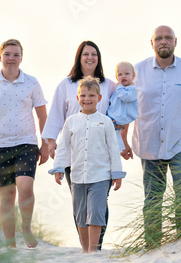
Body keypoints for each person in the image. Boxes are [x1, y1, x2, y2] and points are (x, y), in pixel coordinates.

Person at [122, 25, 181, 247]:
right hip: (148, 144)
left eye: (168, 38)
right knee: (153, 198)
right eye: (159, 38)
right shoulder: (137, 72)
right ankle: (153, 246)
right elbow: (125, 107)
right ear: (152, 43)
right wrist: (123, 141)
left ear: (175, 42)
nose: (163, 41)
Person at [41, 40, 119, 249]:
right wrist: (50, 143)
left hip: (101, 157)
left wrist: (124, 142)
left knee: (99, 202)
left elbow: (120, 113)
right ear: (79, 57)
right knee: (80, 205)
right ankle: (85, 248)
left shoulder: (109, 85)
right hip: (72, 157)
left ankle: (96, 247)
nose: (90, 58)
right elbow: (57, 115)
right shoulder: (66, 85)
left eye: (94, 54)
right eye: (86, 54)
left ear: (98, 58)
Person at [0, 39, 48, 248]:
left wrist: (45, 144)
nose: (11, 58)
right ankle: (10, 244)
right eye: (7, 54)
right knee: (6, 196)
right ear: (0, 57)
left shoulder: (32, 82)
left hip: (26, 143)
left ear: (21, 58)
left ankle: (26, 228)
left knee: (25, 187)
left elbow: (42, 116)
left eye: (16, 55)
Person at [49, 76, 125, 253]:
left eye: (91, 95)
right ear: (77, 98)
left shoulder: (105, 121)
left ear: (99, 98)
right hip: (77, 177)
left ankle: (93, 250)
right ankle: (85, 251)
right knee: (81, 215)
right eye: (83, 95)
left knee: (96, 213)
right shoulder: (71, 122)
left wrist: (117, 173)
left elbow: (113, 149)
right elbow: (63, 147)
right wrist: (59, 167)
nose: (87, 99)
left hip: (100, 176)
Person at [106, 61, 138, 152]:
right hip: (113, 117)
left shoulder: (132, 89)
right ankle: (120, 149)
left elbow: (125, 97)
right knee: (112, 137)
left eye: (127, 74)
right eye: (120, 74)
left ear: (133, 75)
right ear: (116, 77)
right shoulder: (118, 89)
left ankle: (120, 149)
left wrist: (119, 88)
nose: (123, 76)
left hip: (120, 118)